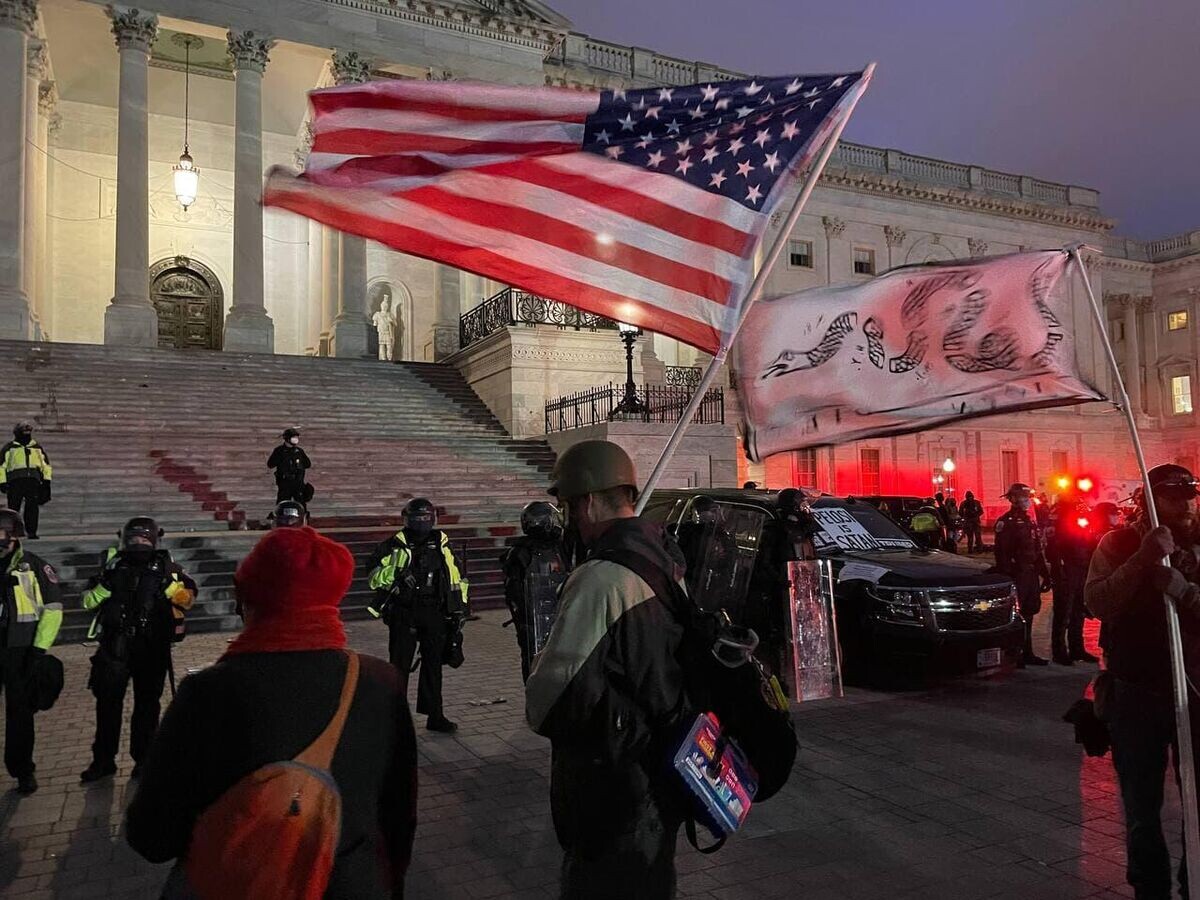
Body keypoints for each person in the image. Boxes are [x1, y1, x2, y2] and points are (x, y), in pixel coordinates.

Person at [126, 526, 417, 899]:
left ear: (248, 598)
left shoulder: (208, 693)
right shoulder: (380, 681)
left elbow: (152, 837)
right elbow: (398, 819)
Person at [525, 440, 691, 899]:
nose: (571, 518)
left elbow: (551, 698)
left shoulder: (600, 576)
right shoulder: (666, 557)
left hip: (613, 784)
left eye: (572, 505)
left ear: (592, 500)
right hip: (661, 771)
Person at [1085, 463, 1200, 899]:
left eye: (1191, 494)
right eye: (1175, 496)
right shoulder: (1117, 543)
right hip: (1137, 693)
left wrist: (1185, 591)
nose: (1187, 503)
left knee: (1198, 804)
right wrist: (1142, 559)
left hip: (1195, 692)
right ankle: (1150, 888)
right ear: (1151, 500)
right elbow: (1097, 602)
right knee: (1141, 807)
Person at [80, 517, 197, 782]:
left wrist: (171, 588)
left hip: (151, 648)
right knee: (107, 707)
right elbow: (86, 601)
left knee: (147, 707)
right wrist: (104, 588)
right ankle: (103, 760)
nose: (138, 544)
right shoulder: (111, 568)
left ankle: (144, 761)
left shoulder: (169, 568)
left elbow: (189, 600)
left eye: (144, 539)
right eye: (134, 539)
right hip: (114, 648)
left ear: (154, 541)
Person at [368, 498, 467, 733]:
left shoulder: (442, 545)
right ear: (407, 519)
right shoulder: (392, 545)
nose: (422, 522)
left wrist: (460, 609)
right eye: (417, 518)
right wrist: (397, 575)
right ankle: (396, 719)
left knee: (434, 666)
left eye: (426, 518)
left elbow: (457, 578)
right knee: (399, 668)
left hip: (435, 612)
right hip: (404, 612)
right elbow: (373, 576)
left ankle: (435, 716)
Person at [0, 507, 62, 794]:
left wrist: (38, 650)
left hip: (21, 651)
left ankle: (23, 770)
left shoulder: (34, 566)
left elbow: (52, 610)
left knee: (20, 715)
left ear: (14, 535)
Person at [500, 501, 568, 682]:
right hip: (534, 620)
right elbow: (514, 592)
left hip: (560, 614)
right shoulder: (521, 552)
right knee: (534, 666)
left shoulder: (561, 547)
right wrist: (525, 618)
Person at [994, 483, 1050, 666]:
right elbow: (1002, 553)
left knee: (1030, 611)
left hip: (1031, 573)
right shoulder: (1006, 522)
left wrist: (1045, 574)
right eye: (1024, 497)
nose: (1027, 501)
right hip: (1017, 574)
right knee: (1016, 615)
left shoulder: (1029, 521)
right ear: (1014, 499)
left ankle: (1027, 652)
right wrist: (1009, 576)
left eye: (1028, 497)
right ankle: (1014, 653)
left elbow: (1037, 550)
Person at [1046, 495, 1099, 666]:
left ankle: (1077, 649)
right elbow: (1053, 550)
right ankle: (1059, 651)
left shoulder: (1081, 520)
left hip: (1081, 569)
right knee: (1063, 612)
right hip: (1066, 571)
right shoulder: (1060, 521)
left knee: (1078, 611)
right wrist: (1059, 571)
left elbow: (1088, 543)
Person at [674, 496, 739, 613]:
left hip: (707, 588)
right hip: (693, 588)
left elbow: (729, 559)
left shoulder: (720, 534)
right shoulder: (687, 532)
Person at [0, 422, 52, 540]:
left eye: (28, 432)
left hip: (32, 482)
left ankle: (32, 532)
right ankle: (13, 532)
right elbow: (1, 466)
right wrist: (2, 482)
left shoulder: (37, 448)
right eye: (24, 432)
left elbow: (46, 466)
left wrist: (46, 482)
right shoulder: (9, 448)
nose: (26, 435)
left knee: (32, 508)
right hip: (15, 482)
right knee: (13, 508)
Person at [267, 427, 312, 506]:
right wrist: (282, 459)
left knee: (301, 504)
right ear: (287, 439)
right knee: (283, 504)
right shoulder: (279, 451)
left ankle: (303, 517)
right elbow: (270, 464)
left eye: (296, 437)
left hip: (298, 483)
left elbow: (308, 464)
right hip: (285, 483)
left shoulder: (299, 451)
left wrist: (298, 464)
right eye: (293, 437)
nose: (296, 439)